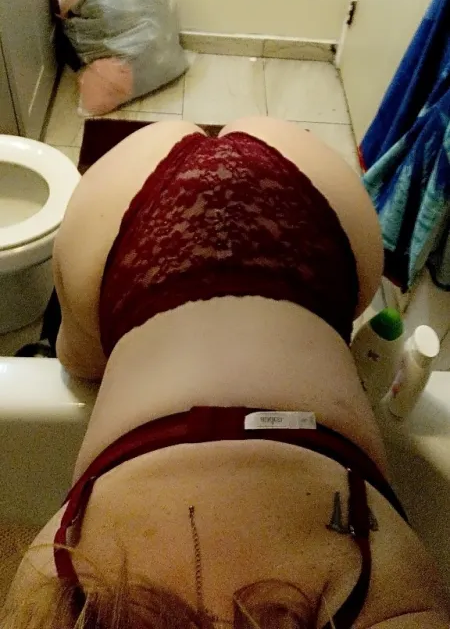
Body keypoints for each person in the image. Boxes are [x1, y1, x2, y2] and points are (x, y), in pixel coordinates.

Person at [4, 117, 448, 628]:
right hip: (138, 222)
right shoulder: (50, 609)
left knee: (80, 358)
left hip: (318, 219)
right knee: (85, 351)